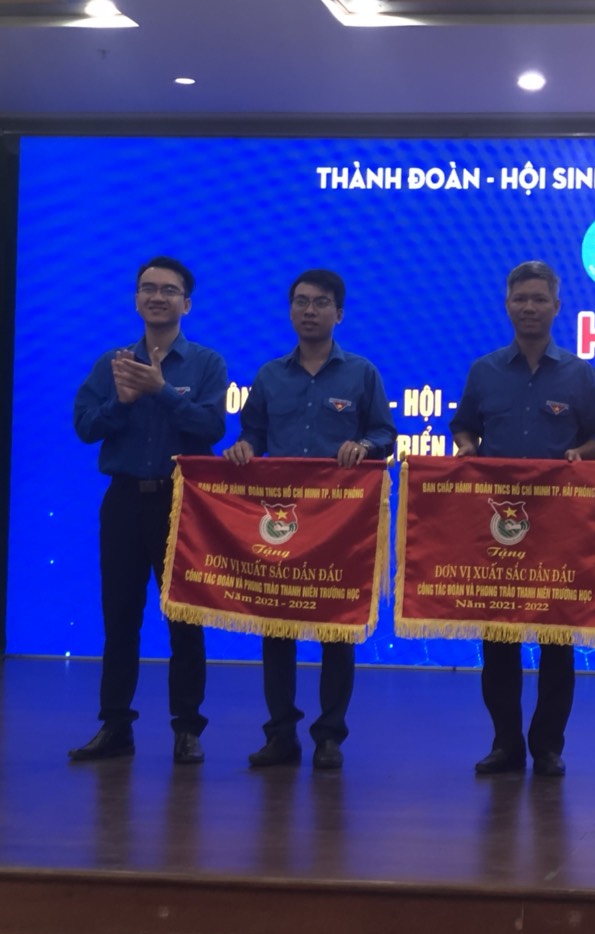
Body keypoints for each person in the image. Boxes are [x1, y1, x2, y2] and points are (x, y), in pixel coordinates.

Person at [224, 269, 395, 771]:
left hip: (339, 523)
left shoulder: (361, 373)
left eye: (321, 303)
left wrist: (363, 445)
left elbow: (385, 434)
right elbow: (253, 433)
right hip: (282, 522)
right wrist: (244, 448)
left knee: (336, 630)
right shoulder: (270, 375)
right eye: (301, 302)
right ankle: (281, 734)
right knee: (277, 629)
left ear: (338, 313)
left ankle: (329, 737)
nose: (309, 311)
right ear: (290, 310)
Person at [450, 261, 595, 778]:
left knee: (555, 641)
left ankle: (547, 747)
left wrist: (580, 455)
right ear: (507, 305)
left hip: (556, 528)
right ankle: (505, 743)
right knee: (499, 642)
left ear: (556, 307)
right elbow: (463, 426)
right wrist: (467, 448)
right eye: (520, 298)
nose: (529, 307)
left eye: (539, 299)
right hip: (498, 527)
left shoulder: (579, 374)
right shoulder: (484, 371)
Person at [70, 256, 228, 765]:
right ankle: (115, 725)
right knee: (120, 617)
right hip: (122, 502)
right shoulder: (112, 363)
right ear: (136, 299)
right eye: (147, 288)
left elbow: (211, 428)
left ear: (187, 303)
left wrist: (161, 393)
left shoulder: (206, 364)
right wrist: (121, 401)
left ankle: (187, 728)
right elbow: (85, 427)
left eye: (168, 290)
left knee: (185, 619)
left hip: (181, 504)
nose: (157, 297)